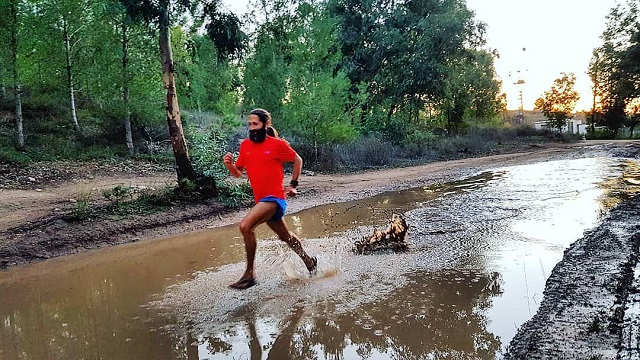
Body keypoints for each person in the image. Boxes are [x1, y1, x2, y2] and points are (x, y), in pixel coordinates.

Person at [223, 108, 317, 290]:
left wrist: (293, 185)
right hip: (262, 201)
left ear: (266, 124)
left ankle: (249, 275)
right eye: (250, 124)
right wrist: (229, 165)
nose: (252, 128)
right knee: (285, 236)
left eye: (255, 124)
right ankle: (309, 261)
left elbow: (298, 160)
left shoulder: (277, 145)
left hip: (275, 199)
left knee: (245, 226)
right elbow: (238, 173)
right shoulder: (246, 146)